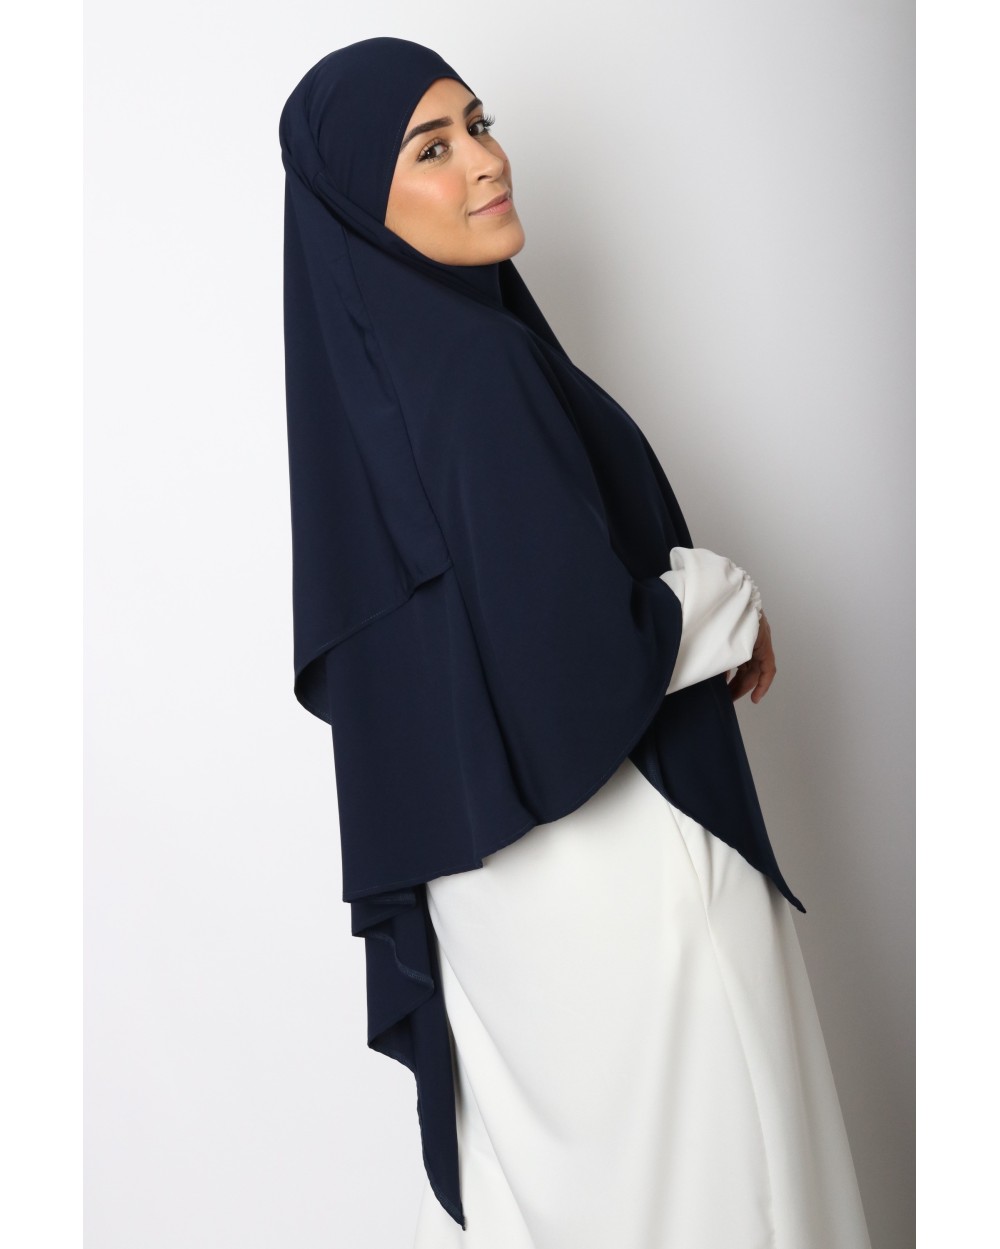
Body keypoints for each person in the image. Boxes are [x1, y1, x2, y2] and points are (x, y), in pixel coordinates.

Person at [278, 36, 872, 1248]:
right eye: (430, 148)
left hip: (495, 913)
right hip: (627, 884)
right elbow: (576, 671)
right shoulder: (482, 367)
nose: (483, 162)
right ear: (358, 203)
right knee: (727, 1195)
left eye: (478, 125)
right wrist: (721, 598)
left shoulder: (375, 402)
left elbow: (450, 679)